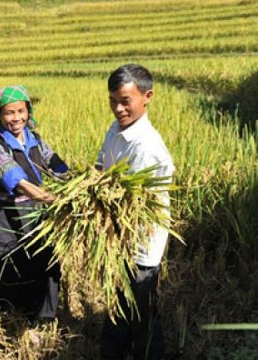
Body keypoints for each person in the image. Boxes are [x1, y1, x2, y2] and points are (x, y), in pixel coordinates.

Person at [0, 84, 69, 320]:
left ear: (28, 111)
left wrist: (77, 183)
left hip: (33, 212)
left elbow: (56, 166)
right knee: (7, 263)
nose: (16, 118)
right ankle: (8, 317)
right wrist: (51, 198)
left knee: (41, 260)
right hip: (2, 215)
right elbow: (17, 180)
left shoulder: (36, 140)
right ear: (0, 115)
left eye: (21, 111)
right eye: (9, 113)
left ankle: (42, 316)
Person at [95, 64, 174, 360]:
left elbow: (135, 203)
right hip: (118, 238)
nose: (118, 108)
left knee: (142, 310)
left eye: (125, 101)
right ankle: (113, 351)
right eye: (113, 100)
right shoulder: (115, 129)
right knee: (119, 302)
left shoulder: (147, 146)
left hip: (140, 240)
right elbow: (101, 168)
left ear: (147, 96)